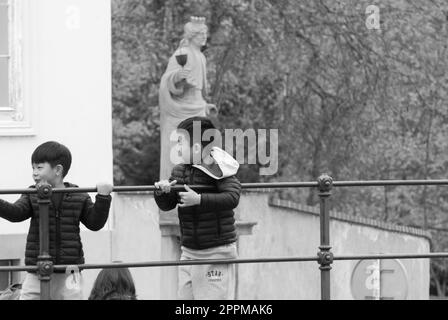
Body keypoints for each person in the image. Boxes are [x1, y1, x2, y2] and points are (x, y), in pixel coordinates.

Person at [0, 141, 113, 300]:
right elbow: (16, 213)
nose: (34, 173)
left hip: (70, 270)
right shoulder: (32, 193)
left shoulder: (78, 195)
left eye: (39, 168)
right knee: (29, 297)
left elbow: (95, 223)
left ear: (58, 170)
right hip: (37, 270)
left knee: (73, 296)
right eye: (33, 168)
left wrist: (103, 197)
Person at [154, 117, 241, 300]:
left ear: (195, 147)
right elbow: (168, 204)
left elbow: (232, 197)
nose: (176, 148)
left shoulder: (219, 169)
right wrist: (163, 192)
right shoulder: (180, 171)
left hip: (216, 252)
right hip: (189, 252)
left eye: (180, 142)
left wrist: (199, 199)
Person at [159, 16, 217, 180]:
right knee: (179, 148)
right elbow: (167, 79)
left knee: (201, 148)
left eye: (205, 34)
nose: (204, 37)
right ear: (192, 36)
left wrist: (205, 105)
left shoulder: (201, 56)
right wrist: (178, 76)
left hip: (197, 107)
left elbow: (198, 90)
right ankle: (176, 181)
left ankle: (200, 180)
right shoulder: (182, 53)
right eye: (201, 34)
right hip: (181, 110)